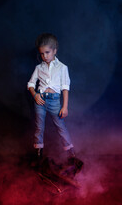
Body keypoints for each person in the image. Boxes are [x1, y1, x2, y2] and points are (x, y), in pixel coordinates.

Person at [27, 33, 76, 163]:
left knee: (60, 126)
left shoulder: (62, 68)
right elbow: (31, 84)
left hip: (54, 101)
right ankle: (38, 154)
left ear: (55, 50)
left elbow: (65, 87)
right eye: (42, 53)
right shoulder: (39, 67)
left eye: (47, 52)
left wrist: (65, 106)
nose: (45, 56)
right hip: (40, 100)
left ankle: (71, 154)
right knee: (39, 127)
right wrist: (35, 95)